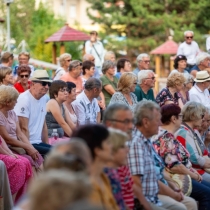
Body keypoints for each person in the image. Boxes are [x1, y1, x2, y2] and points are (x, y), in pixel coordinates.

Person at [127, 100, 197, 210]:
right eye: (157, 120)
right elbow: (138, 182)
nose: (160, 123)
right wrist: (172, 193)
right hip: (146, 197)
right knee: (181, 207)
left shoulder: (146, 139)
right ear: (146, 122)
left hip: (156, 190)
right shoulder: (136, 143)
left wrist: (170, 184)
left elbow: (155, 172)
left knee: (190, 203)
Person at [153, 103, 210, 209]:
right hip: (179, 178)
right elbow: (175, 166)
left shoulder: (166, 134)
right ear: (173, 119)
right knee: (207, 194)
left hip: (184, 174)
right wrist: (193, 174)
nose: (182, 119)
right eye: (180, 116)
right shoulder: (166, 136)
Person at [72, 124, 119, 210]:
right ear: (97, 150)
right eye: (108, 143)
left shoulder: (102, 176)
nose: (112, 146)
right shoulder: (87, 187)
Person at [0, 85, 43, 171]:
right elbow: (7, 139)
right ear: (7, 102)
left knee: (38, 157)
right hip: (8, 147)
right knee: (29, 160)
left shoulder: (12, 113)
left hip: (17, 145)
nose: (16, 102)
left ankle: (42, 182)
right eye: (15, 100)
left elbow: (20, 134)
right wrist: (27, 147)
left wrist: (31, 147)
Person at [14, 70, 52, 157]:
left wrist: (47, 145)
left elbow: (43, 125)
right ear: (33, 84)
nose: (46, 87)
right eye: (43, 83)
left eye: (48, 84)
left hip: (38, 142)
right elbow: (23, 128)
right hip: (27, 142)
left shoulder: (45, 98)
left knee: (58, 151)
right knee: (56, 153)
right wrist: (28, 149)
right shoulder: (24, 99)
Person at [175, 101, 210, 182]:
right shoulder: (183, 132)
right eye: (202, 116)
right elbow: (195, 159)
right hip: (195, 172)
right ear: (193, 116)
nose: (203, 119)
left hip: (199, 169)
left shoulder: (193, 130)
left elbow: (204, 151)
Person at [0, 135, 32, 203]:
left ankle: (24, 199)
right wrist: (8, 155)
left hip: (3, 153)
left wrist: (10, 153)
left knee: (26, 161)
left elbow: (2, 142)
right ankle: (10, 201)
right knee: (19, 164)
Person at [104, 128, 129, 210]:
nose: (127, 150)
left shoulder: (114, 171)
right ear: (112, 150)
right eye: (122, 146)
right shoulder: (106, 175)